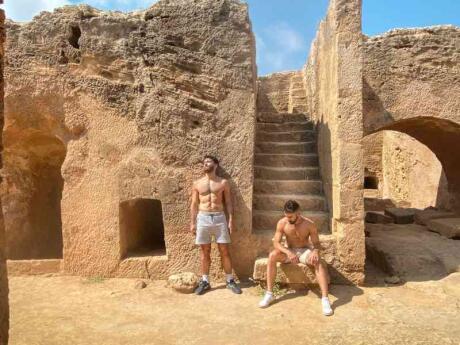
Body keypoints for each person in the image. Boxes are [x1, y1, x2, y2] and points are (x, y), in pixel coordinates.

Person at [258, 200, 333, 316]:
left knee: (318, 261)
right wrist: (288, 252)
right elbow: (276, 243)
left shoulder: (309, 224)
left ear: (298, 212)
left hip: (304, 251)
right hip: (290, 251)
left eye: (291, 216)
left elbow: (317, 244)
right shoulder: (282, 223)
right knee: (272, 255)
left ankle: (325, 299)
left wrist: (316, 252)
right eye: (286, 216)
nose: (288, 219)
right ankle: (269, 294)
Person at [190, 155, 242, 295]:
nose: (205, 164)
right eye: (204, 162)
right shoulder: (197, 183)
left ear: (216, 165)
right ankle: (205, 281)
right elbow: (194, 204)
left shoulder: (223, 183)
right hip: (203, 218)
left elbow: (229, 203)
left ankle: (230, 280)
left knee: (224, 250)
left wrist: (230, 220)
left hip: (219, 218)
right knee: (204, 251)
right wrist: (192, 222)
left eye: (209, 161)